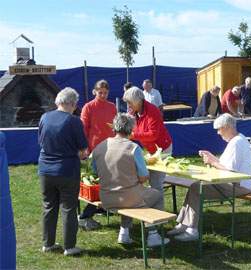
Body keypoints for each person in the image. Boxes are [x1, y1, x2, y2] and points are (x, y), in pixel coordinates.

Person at [167, 113, 251, 241]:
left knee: (196, 188)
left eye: (219, 129)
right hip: (236, 183)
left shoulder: (237, 143)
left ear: (228, 127)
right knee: (195, 187)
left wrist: (212, 162)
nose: (218, 133)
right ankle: (184, 224)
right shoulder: (237, 140)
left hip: (238, 185)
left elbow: (231, 170)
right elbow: (226, 165)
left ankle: (192, 229)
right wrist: (212, 157)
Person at [92, 113, 169, 247]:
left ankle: (124, 232)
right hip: (129, 197)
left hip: (106, 198)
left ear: (114, 128)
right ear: (131, 129)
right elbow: (144, 176)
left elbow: (95, 171)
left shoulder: (100, 147)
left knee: (131, 194)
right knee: (156, 194)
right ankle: (153, 234)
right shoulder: (133, 148)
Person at [38, 87, 88, 256]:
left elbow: (41, 142)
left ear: (58, 101)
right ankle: (69, 247)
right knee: (68, 208)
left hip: (45, 169)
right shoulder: (74, 121)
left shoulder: (44, 117)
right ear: (73, 104)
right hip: (66, 170)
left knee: (49, 206)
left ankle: (48, 244)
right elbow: (83, 151)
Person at [123, 87, 172, 208]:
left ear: (137, 101)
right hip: (150, 150)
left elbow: (153, 135)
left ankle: (158, 217)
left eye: (129, 103)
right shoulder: (134, 111)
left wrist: (132, 135)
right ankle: (150, 210)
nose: (128, 106)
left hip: (162, 149)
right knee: (148, 180)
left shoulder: (152, 110)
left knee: (156, 183)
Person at [78, 79, 117, 230]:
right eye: (100, 92)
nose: (103, 95)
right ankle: (86, 215)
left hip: (111, 148)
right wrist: (85, 148)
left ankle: (102, 207)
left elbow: (115, 126)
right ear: (95, 91)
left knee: (109, 180)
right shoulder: (88, 107)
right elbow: (83, 129)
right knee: (96, 184)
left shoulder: (112, 106)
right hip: (94, 149)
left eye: (105, 93)